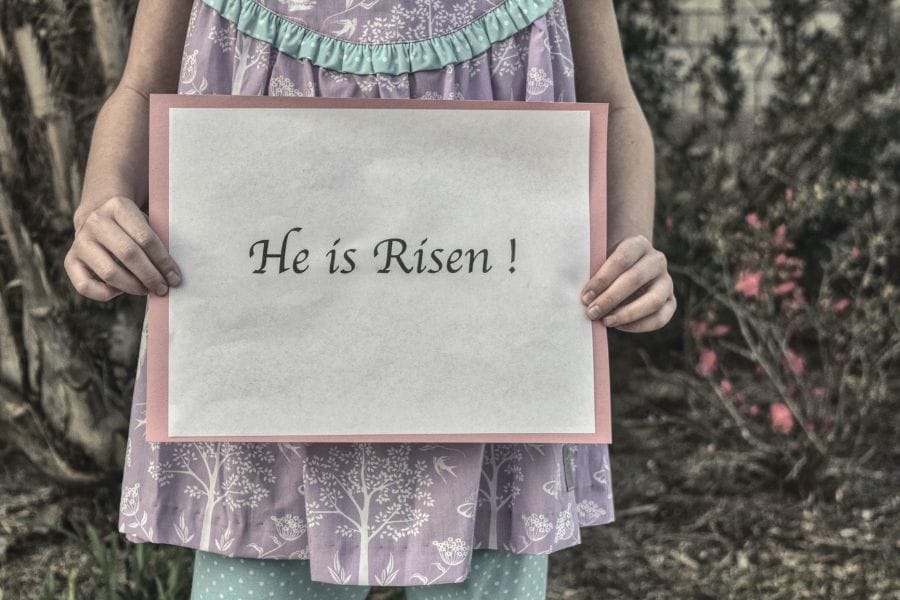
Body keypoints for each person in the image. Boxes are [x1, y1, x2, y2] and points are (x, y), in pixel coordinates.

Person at [66, 0, 675, 597]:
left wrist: (631, 252)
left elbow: (614, 103)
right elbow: (142, 89)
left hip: (493, 388)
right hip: (261, 387)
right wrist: (102, 205)